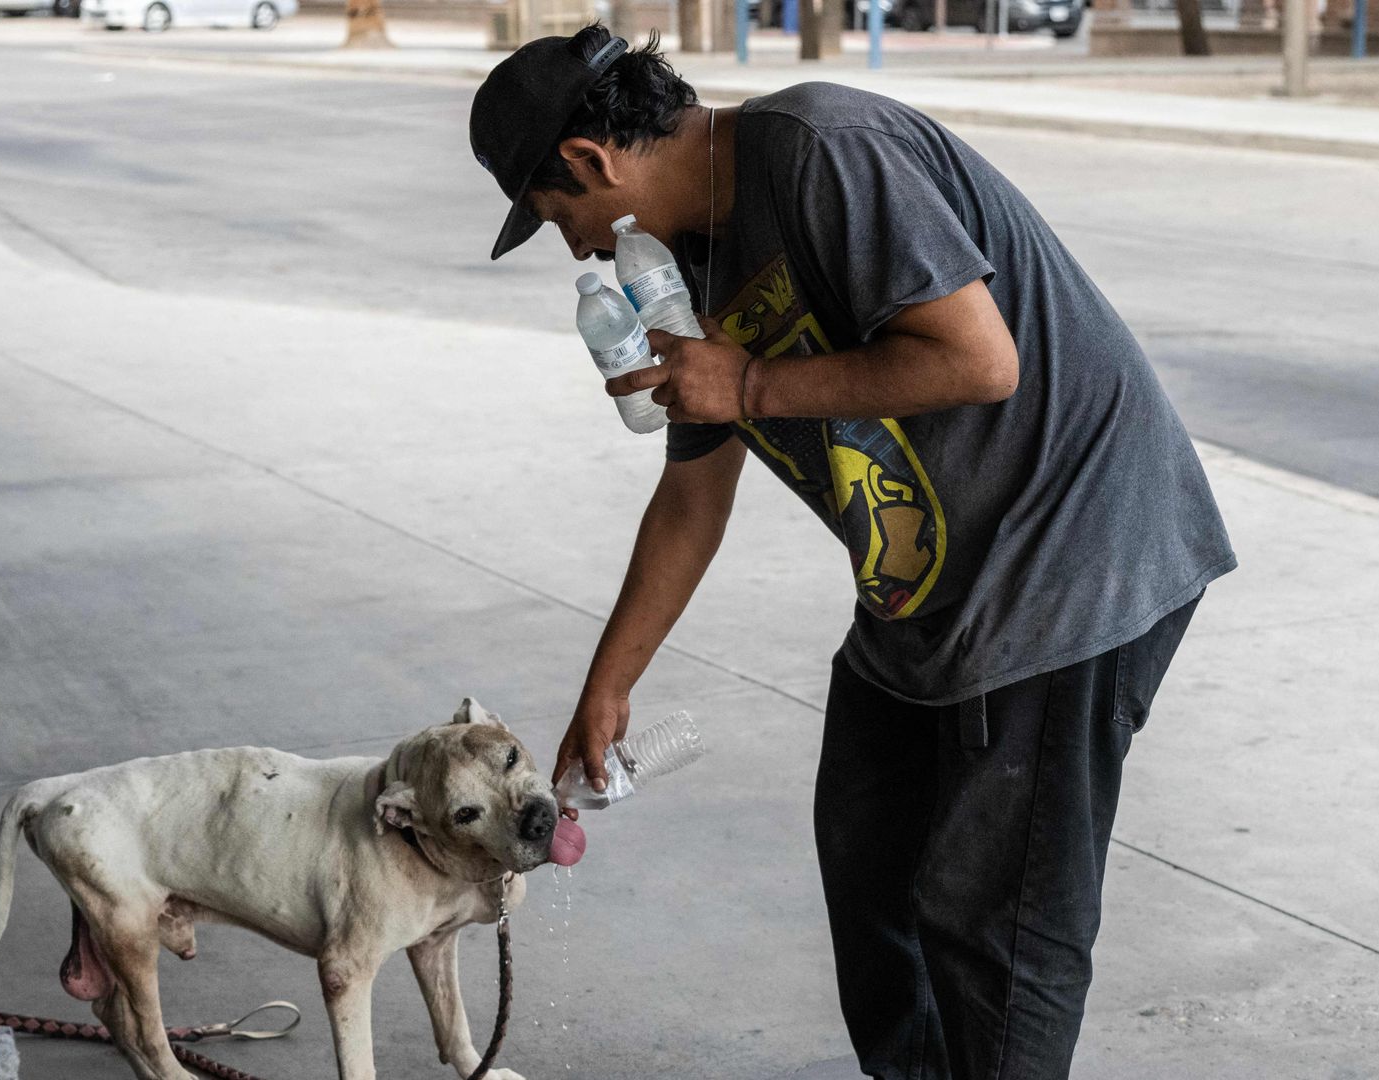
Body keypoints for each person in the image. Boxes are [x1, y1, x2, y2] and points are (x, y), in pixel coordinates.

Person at [469, 26, 1235, 1080]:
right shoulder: (679, 261)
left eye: (562, 219)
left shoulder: (824, 149)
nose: (580, 250)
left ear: (591, 162)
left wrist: (748, 387)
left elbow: (979, 359)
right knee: (871, 863)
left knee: (998, 917)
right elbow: (695, 487)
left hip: (1071, 551)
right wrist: (610, 686)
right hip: (926, 582)